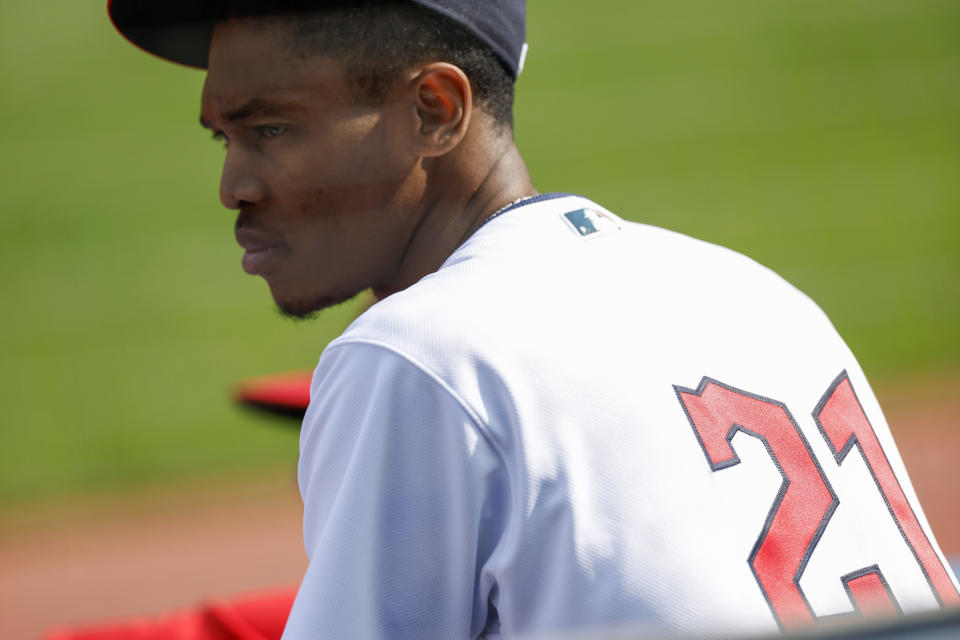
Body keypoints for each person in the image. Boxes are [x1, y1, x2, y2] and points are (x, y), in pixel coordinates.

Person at [108, 1, 960, 638]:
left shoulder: (419, 355)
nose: (235, 187)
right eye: (226, 138)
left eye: (274, 129)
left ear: (436, 110)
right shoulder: (758, 293)